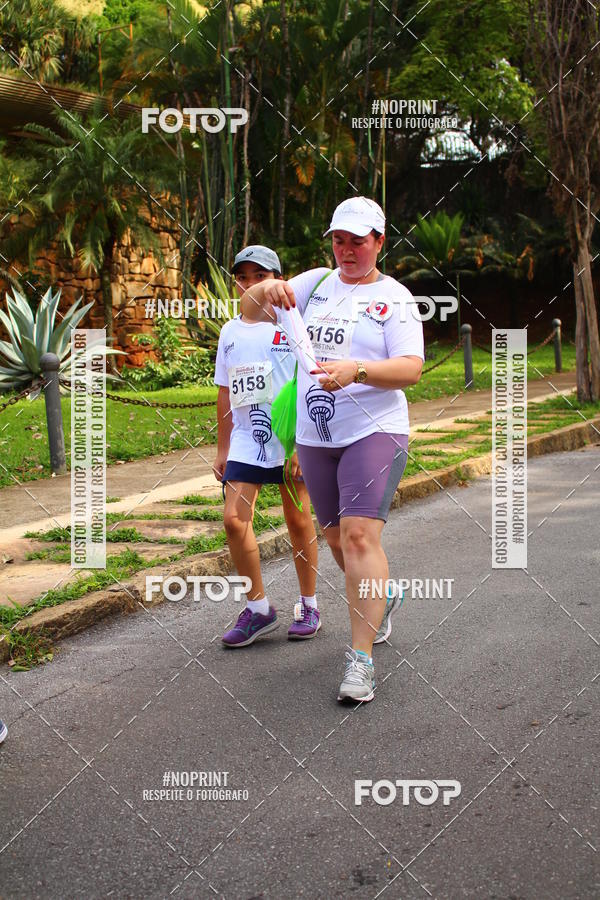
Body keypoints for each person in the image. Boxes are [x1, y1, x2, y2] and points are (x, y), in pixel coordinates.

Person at [245, 198, 424, 702]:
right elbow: (248, 311)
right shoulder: (313, 285)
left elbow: (411, 368)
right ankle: (382, 597)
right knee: (338, 543)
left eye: (358, 241)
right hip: (315, 436)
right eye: (339, 240)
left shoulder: (396, 298)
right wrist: (265, 288)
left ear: (379, 242)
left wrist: (356, 370)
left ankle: (361, 661)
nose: (347, 250)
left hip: (375, 428)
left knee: (360, 536)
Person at [213, 245, 320, 646]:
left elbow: (310, 379)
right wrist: (222, 449)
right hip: (245, 439)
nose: (252, 283)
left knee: (298, 520)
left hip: (290, 437)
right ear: (237, 282)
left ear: (278, 279)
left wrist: (299, 446)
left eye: (262, 275)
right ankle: (258, 609)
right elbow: (224, 392)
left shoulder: (293, 323)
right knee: (234, 520)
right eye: (245, 276)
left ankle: (309, 604)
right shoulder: (229, 331)